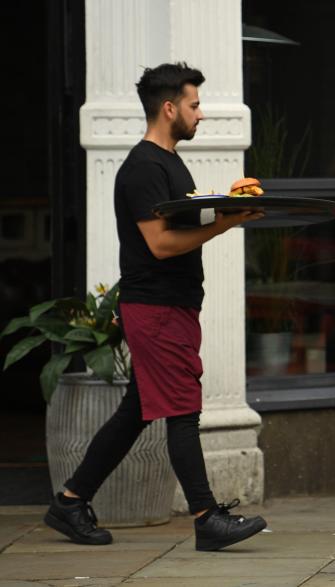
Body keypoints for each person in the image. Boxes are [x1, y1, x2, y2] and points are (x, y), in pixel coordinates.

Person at [43, 63, 267, 551]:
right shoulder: (143, 168)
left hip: (173, 306)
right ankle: (207, 517)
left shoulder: (169, 163)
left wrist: (226, 206)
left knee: (137, 412)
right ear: (169, 108)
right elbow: (162, 244)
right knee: (183, 411)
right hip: (158, 309)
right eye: (193, 105)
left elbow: (181, 224)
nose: (200, 115)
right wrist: (225, 226)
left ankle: (70, 499)